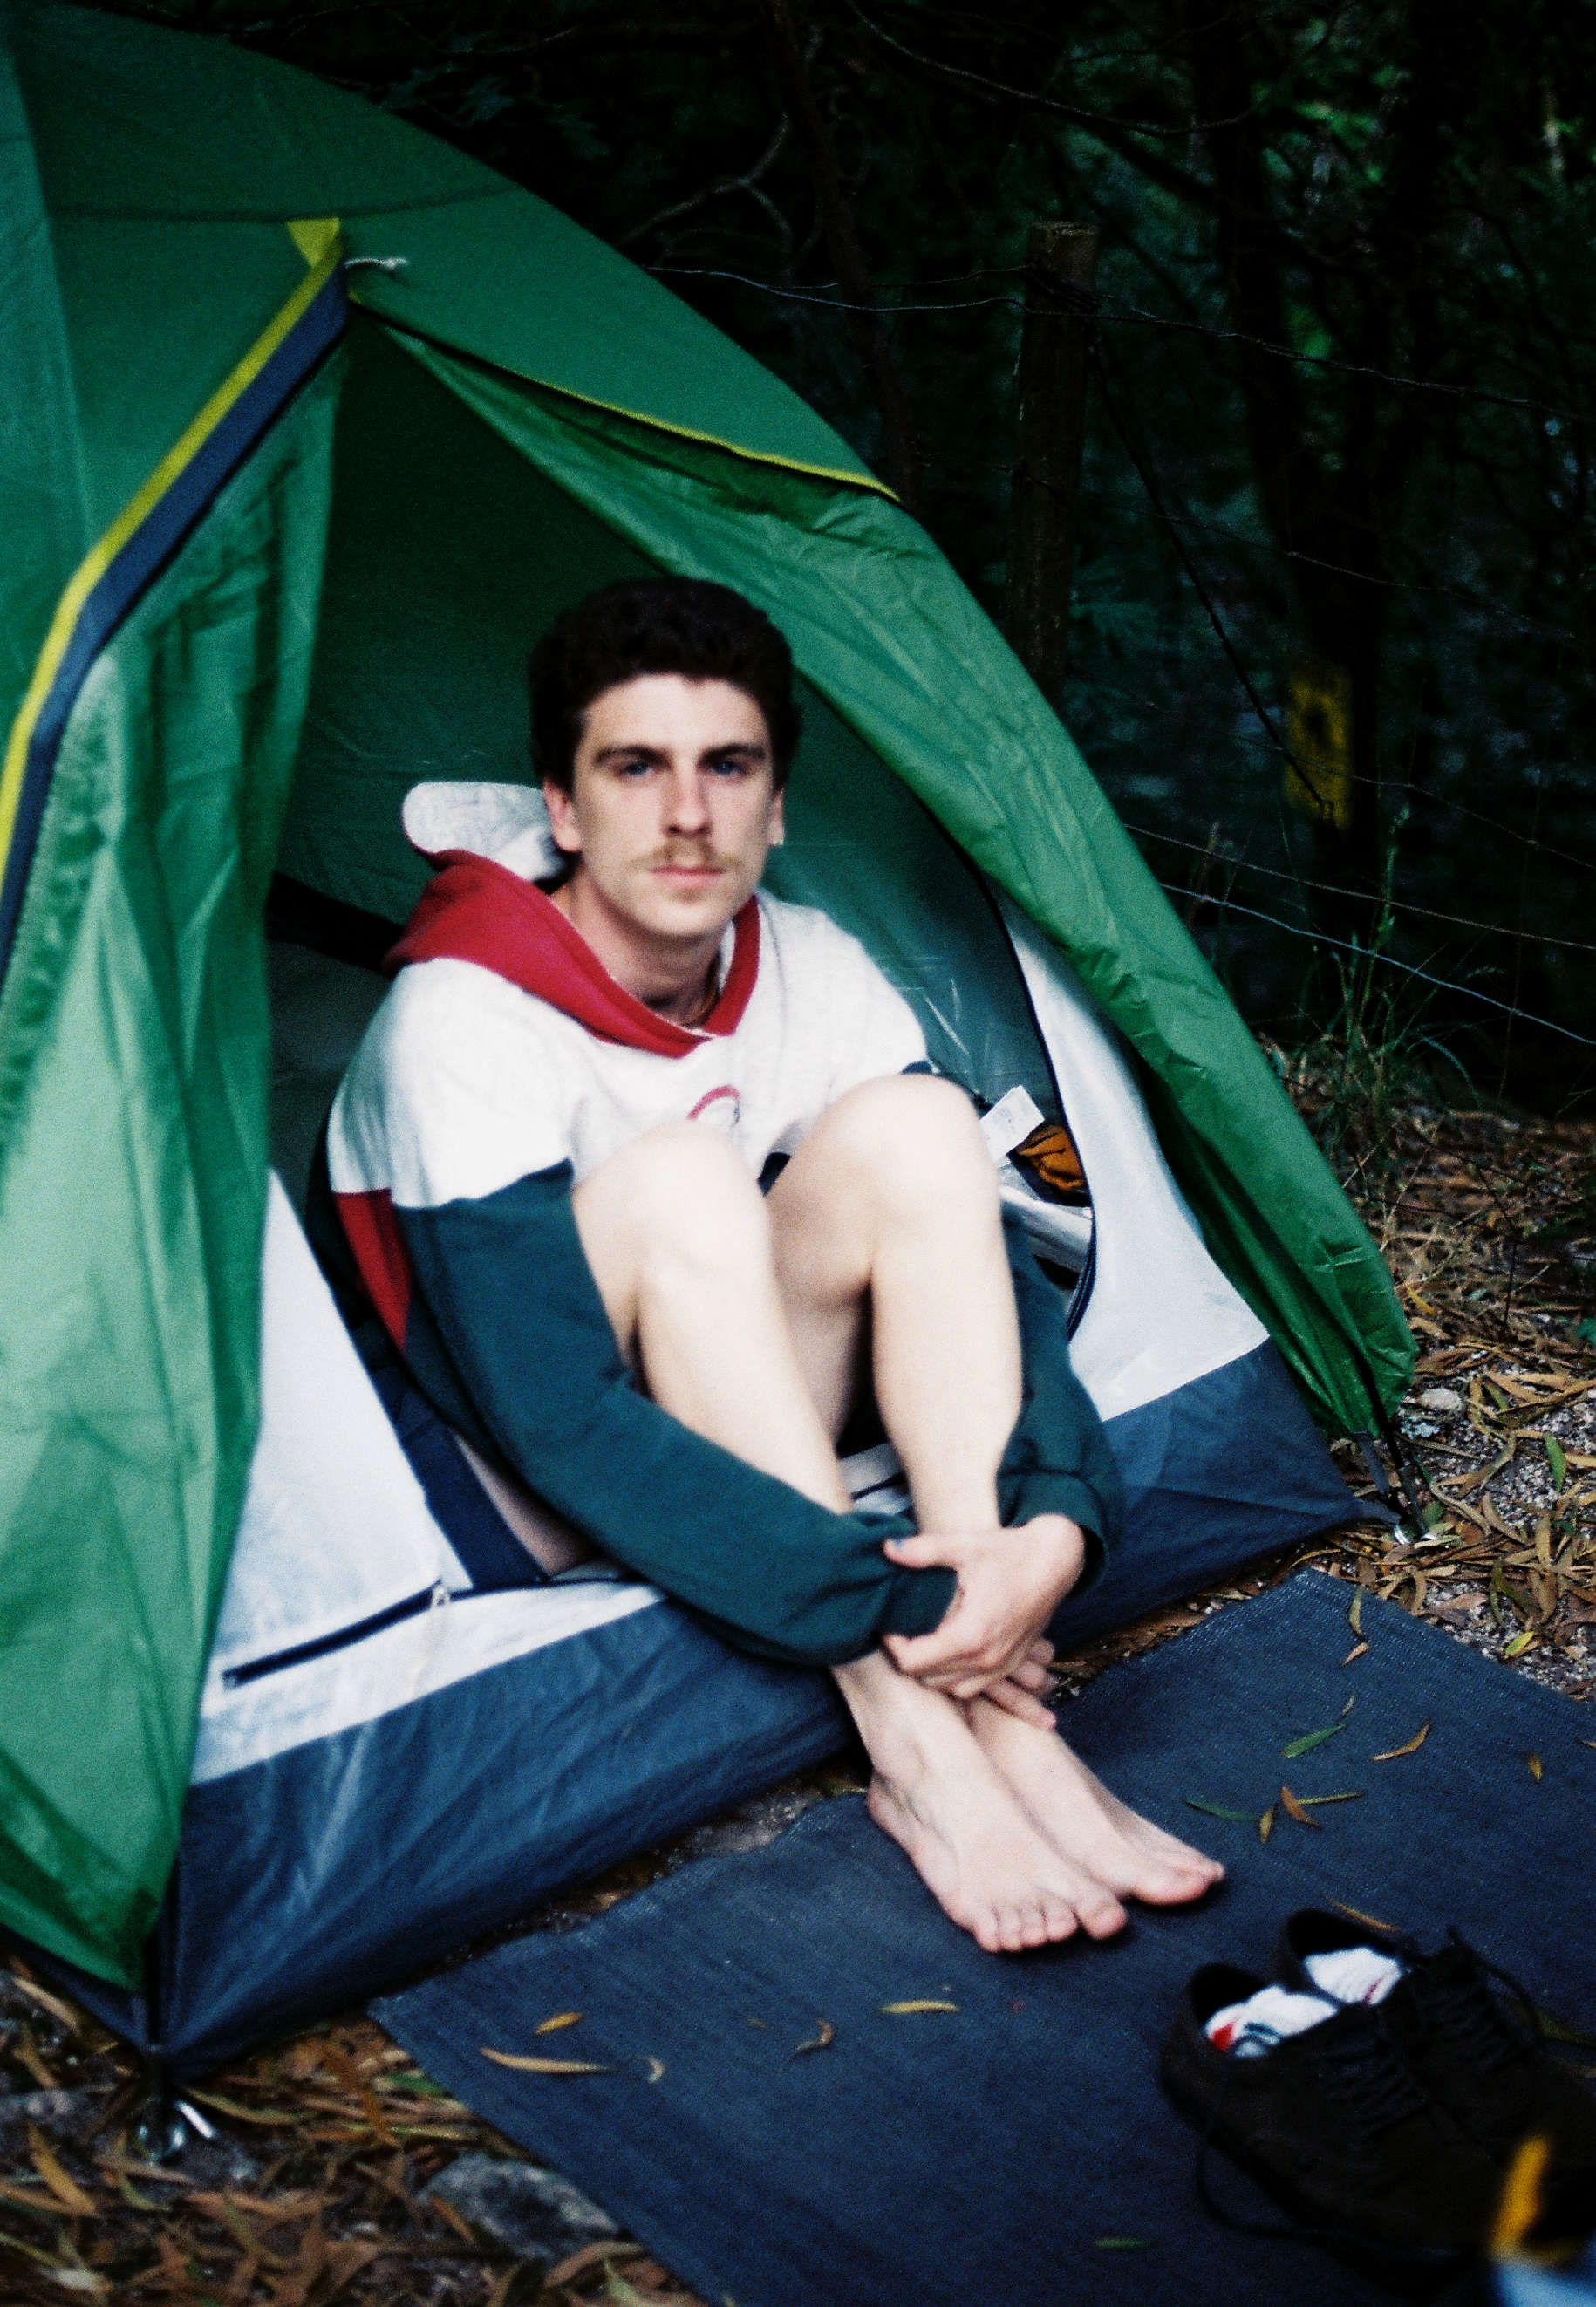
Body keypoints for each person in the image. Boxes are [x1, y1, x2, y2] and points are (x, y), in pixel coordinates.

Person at [317, 577, 1222, 1954]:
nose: (687, 813)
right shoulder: (461, 1018)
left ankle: (987, 1690)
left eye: (725, 767)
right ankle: (920, 1734)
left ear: (776, 804)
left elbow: (971, 1240)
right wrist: (900, 1608)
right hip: (536, 1470)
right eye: (636, 767)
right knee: (683, 1179)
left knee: (921, 1128)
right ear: (562, 806)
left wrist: (1047, 1523)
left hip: (740, 1388)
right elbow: (553, 1414)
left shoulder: (805, 959)